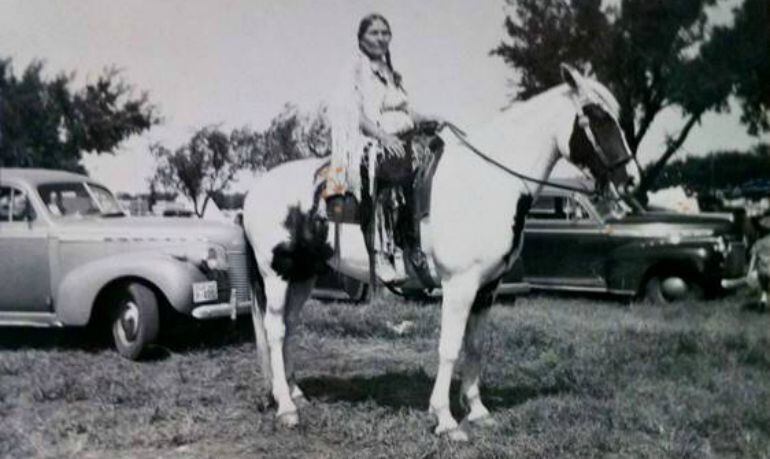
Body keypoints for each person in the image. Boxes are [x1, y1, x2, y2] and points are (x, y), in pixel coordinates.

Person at [327, 13, 443, 282]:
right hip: (370, 141)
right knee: (394, 169)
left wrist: (430, 118)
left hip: (404, 137)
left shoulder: (391, 73)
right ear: (361, 38)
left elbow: (405, 111)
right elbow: (354, 114)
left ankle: (424, 241)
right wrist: (383, 138)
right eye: (374, 33)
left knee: (440, 155)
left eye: (384, 33)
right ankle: (386, 250)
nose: (380, 38)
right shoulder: (355, 69)